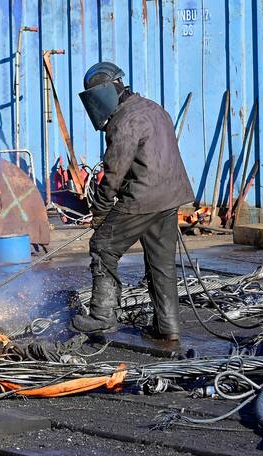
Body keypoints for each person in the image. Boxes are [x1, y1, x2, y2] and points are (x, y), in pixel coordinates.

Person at [71, 62, 195, 343]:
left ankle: (102, 317)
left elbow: (114, 171)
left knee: (103, 246)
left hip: (143, 198)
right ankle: (169, 326)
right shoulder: (152, 108)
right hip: (169, 197)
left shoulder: (125, 120)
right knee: (161, 264)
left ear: (102, 93)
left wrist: (100, 210)